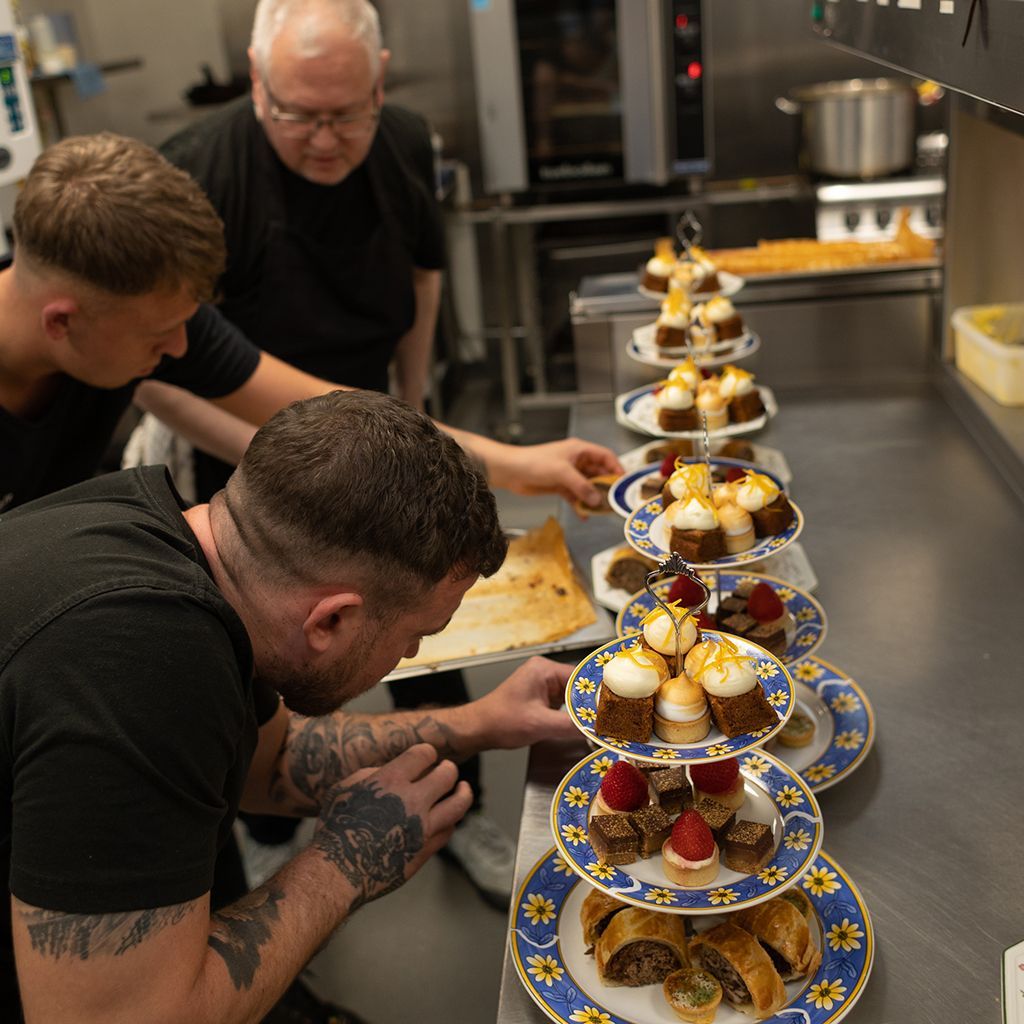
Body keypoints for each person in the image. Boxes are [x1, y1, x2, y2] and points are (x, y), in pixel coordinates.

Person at [128, 0, 593, 908]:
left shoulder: (404, 143)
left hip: (369, 420)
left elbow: (422, 278)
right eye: (298, 114)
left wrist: (415, 418)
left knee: (426, 620)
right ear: (258, 82)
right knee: (264, 664)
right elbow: (155, 374)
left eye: (349, 113)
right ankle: (266, 832)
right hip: (238, 450)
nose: (326, 139)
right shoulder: (196, 172)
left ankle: (456, 800)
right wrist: (298, 470)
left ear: (381, 80)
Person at [0, 389, 580, 1023]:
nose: (409, 655)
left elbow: (271, 764)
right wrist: (346, 863)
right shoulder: (138, 666)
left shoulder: (171, 550)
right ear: (331, 620)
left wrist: (479, 722)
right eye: (417, 636)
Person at [0, 130, 620, 514]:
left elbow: (343, 415)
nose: (182, 347)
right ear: (62, 323)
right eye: (160, 336)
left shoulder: (140, 317)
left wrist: (516, 465)